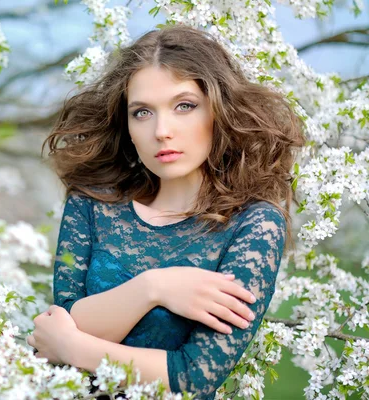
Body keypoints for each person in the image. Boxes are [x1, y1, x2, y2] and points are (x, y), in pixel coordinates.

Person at [27, 25, 305, 399]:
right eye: (142, 112)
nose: (162, 130)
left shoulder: (254, 226)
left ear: (219, 110)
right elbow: (58, 323)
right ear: (126, 126)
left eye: (184, 106)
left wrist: (74, 349)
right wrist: (153, 288)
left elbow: (193, 377)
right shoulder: (92, 203)